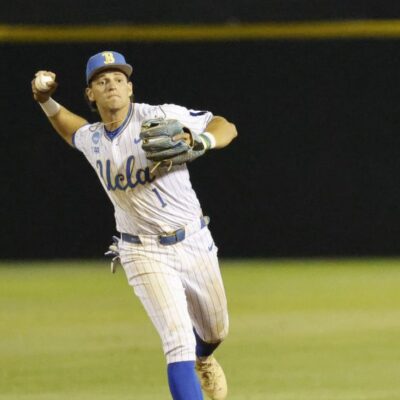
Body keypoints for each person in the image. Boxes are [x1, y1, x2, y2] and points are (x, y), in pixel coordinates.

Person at [31, 51, 237, 400]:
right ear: (90, 95)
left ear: (130, 89)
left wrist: (201, 141)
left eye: (118, 78)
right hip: (141, 250)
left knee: (215, 331)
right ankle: (192, 360)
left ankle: (205, 357)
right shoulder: (92, 138)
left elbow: (224, 125)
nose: (111, 83)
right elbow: (70, 128)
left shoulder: (159, 116)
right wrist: (45, 100)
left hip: (193, 239)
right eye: (101, 80)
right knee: (177, 340)